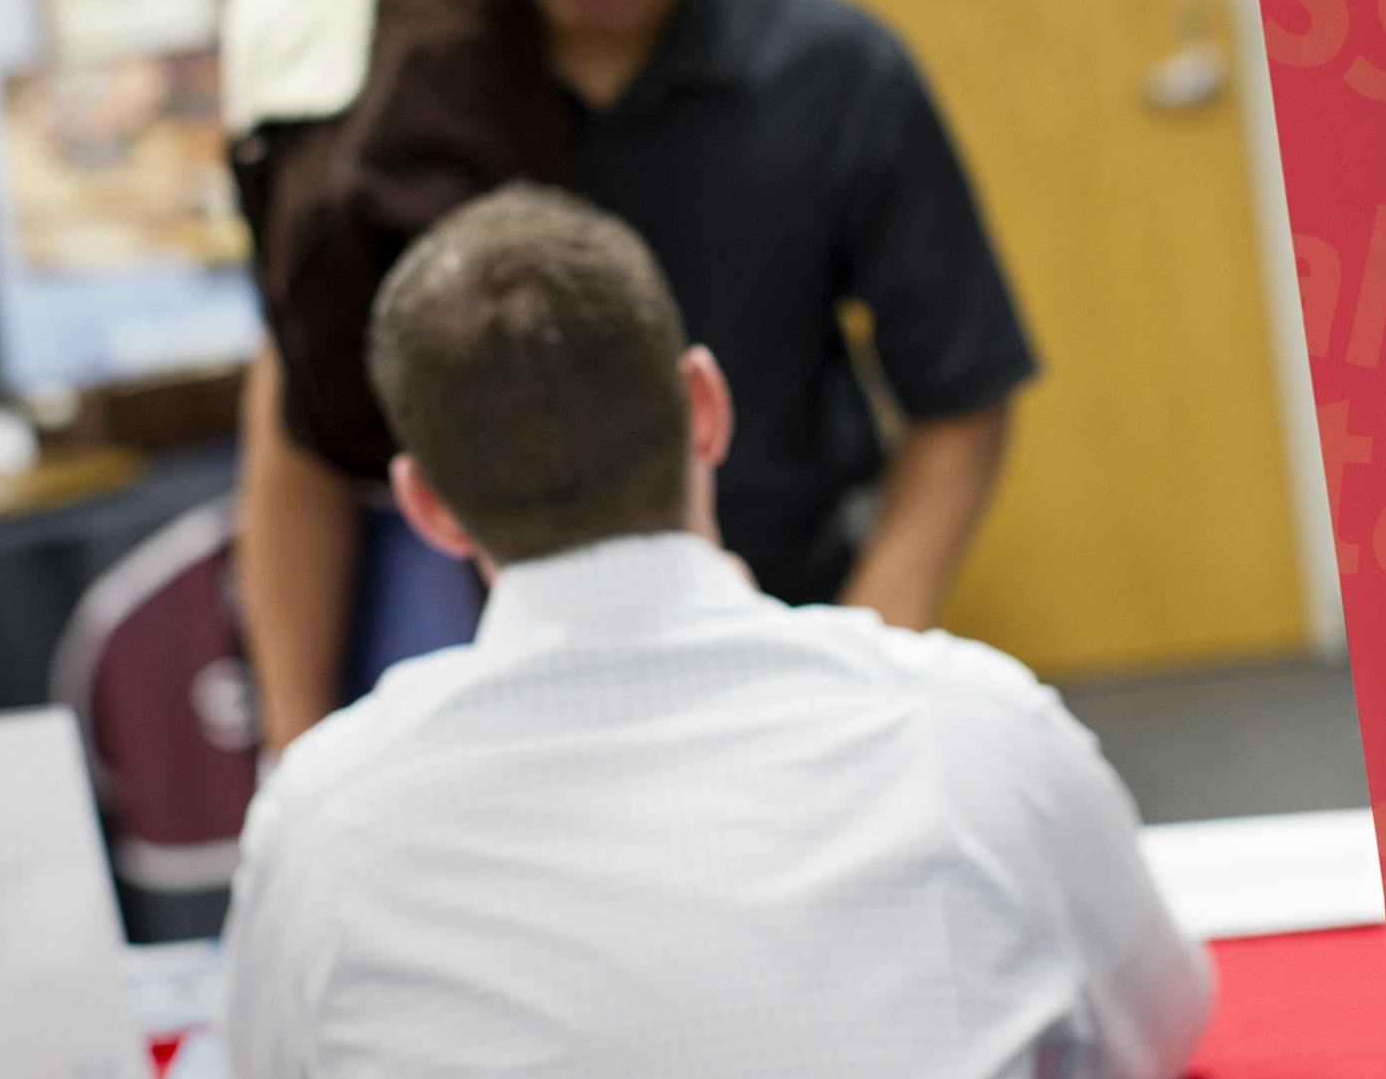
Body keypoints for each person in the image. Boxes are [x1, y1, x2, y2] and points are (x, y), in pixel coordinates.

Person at [222, 0, 1036, 753]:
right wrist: (295, 749)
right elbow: (296, 419)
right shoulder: (393, 86)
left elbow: (961, 398)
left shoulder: (837, 79)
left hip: (777, 637)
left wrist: (858, 658)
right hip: (487, 688)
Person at [221, 185, 1210, 1078]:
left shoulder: (322, 820)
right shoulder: (978, 728)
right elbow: (1163, 1025)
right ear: (704, 407)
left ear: (427, 504)